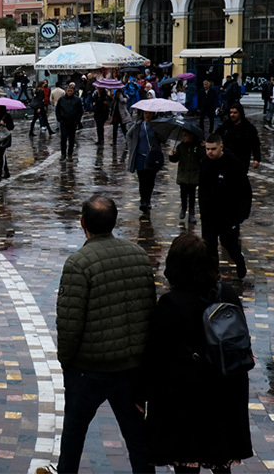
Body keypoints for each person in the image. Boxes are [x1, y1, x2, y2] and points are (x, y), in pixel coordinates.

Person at [56, 195, 156, 473]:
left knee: (73, 436)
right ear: (114, 221)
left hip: (88, 369)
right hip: (131, 369)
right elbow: (149, 311)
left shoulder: (78, 263)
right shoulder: (139, 255)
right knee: (137, 441)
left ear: (82, 223)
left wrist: (67, 362)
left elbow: (69, 325)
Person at [145, 233, 253, 472]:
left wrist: (143, 393)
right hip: (226, 391)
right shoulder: (227, 295)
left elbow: (156, 357)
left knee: (187, 465)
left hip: (187, 399)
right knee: (221, 463)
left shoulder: (170, 304)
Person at [198, 134, 252, 279]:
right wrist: (203, 210)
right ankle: (213, 275)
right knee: (209, 246)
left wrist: (241, 215)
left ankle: (239, 261)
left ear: (221, 147)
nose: (210, 152)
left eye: (213, 149)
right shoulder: (205, 163)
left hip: (229, 215)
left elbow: (245, 190)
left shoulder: (233, 163)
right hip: (209, 215)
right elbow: (202, 189)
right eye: (207, 149)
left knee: (229, 243)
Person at [126, 109, 164, 212]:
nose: (147, 115)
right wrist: (132, 147)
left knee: (150, 180)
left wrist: (158, 132)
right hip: (140, 158)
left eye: (150, 113)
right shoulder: (138, 125)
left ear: (153, 114)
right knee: (142, 181)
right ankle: (143, 201)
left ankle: (148, 200)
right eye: (145, 113)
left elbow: (163, 140)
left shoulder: (156, 125)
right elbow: (128, 135)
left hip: (152, 158)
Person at [214, 103, 261, 171]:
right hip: (227, 159)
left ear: (240, 113)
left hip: (242, 160)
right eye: (231, 113)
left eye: (235, 113)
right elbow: (216, 136)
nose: (232, 115)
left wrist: (257, 158)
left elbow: (255, 144)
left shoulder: (249, 128)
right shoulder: (226, 125)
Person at [169, 130, 202, 223]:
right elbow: (175, 159)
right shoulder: (180, 147)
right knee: (183, 194)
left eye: (185, 135)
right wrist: (171, 156)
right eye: (182, 135)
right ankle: (183, 208)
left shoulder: (196, 146)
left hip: (193, 175)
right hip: (183, 174)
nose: (183, 137)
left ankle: (192, 212)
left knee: (192, 195)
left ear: (191, 136)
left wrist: (203, 147)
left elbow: (202, 156)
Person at [55, 83, 84, 160]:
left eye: (71, 91)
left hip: (73, 122)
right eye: (68, 91)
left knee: (71, 139)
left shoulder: (77, 100)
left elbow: (80, 111)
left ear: (73, 91)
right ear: (66, 91)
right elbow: (57, 110)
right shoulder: (61, 100)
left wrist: (77, 120)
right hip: (64, 122)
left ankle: (70, 154)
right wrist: (59, 119)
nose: (69, 92)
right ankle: (63, 154)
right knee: (63, 138)